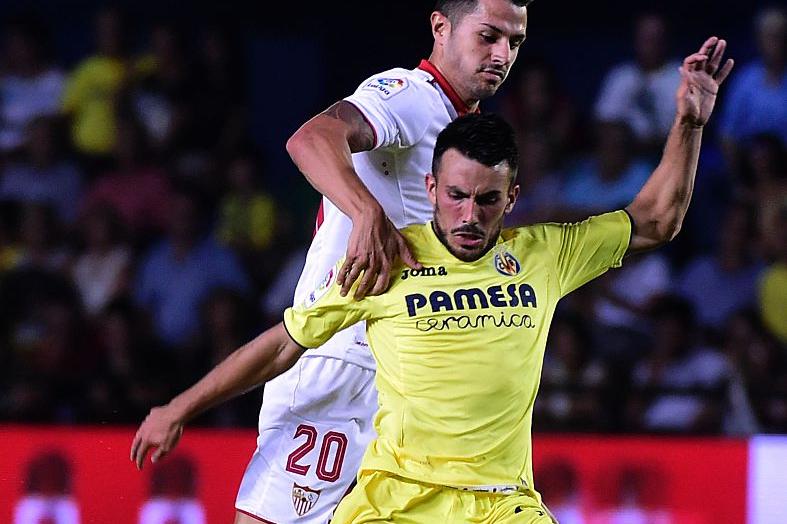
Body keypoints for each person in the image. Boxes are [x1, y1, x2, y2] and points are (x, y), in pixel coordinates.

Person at [131, 36, 733, 523]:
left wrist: (689, 122)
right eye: (456, 197)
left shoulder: (545, 254)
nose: (470, 216)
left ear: (513, 198)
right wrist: (181, 406)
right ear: (430, 192)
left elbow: (656, 220)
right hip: (390, 490)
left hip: (499, 503)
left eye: (487, 200)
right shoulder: (389, 261)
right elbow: (286, 340)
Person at [213, 0, 530, 521]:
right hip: (341, 356)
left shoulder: (464, 133)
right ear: (441, 28)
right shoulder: (410, 95)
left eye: (514, 43)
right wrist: (365, 214)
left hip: (405, 371)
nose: (501, 54)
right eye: (489, 36)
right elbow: (311, 138)